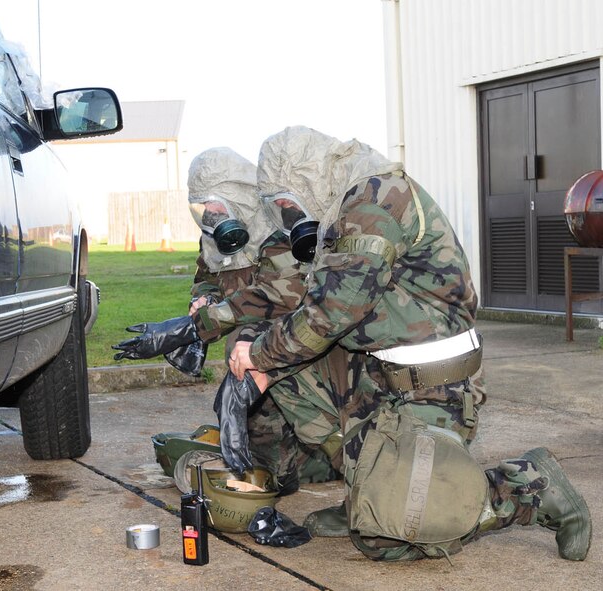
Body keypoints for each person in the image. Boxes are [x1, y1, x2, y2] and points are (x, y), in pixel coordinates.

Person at [228, 125, 591, 561]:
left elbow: (334, 310)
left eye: (287, 203)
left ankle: (528, 487)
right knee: (280, 369)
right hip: (379, 373)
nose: (288, 217)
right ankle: (368, 489)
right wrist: (256, 350)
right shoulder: (343, 208)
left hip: (432, 383)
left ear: (307, 179)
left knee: (390, 543)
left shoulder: (376, 200)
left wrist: (261, 352)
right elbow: (306, 301)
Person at [112, 146, 342, 494]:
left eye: (215, 206)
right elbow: (206, 277)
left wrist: (192, 328)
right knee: (257, 441)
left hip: (301, 342)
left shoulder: (279, 232)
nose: (209, 216)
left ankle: (328, 458)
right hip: (257, 342)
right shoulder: (215, 237)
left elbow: (277, 296)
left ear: (238, 196)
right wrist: (204, 299)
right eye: (202, 207)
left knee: (250, 363)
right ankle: (276, 462)